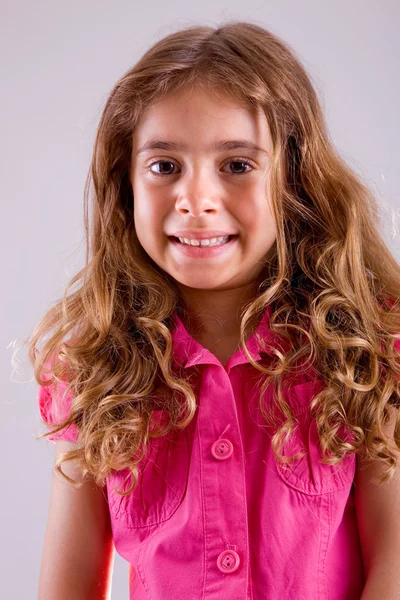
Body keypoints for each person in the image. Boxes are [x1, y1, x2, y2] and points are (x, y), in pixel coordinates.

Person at [29, 21, 400, 600]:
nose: (195, 199)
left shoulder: (367, 349)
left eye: (237, 165)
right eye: (164, 166)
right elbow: (67, 587)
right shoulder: (91, 369)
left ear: (294, 179)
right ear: (125, 186)